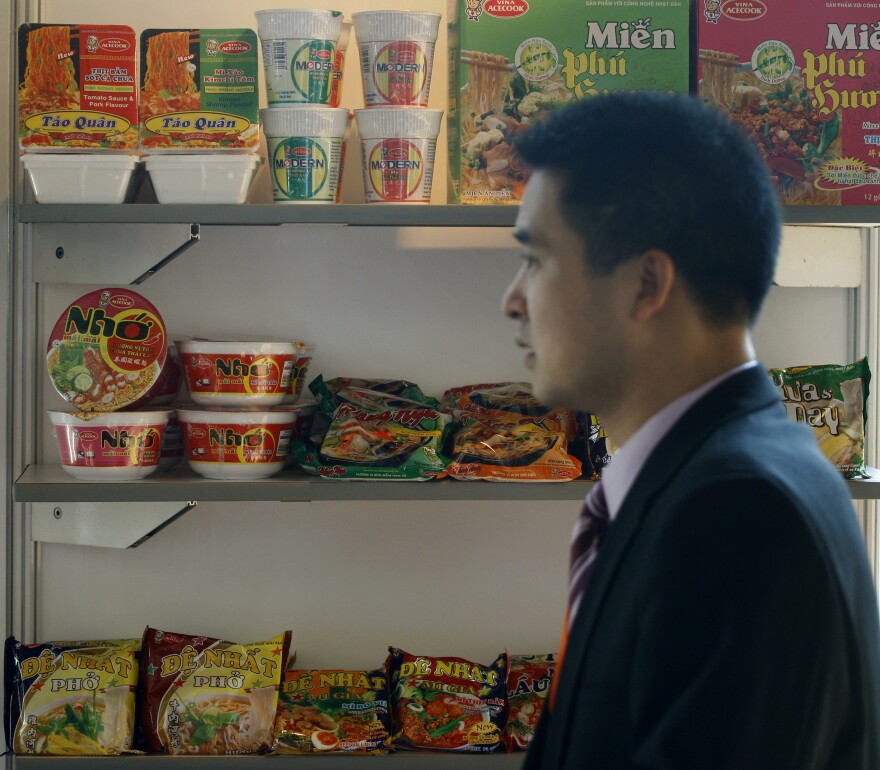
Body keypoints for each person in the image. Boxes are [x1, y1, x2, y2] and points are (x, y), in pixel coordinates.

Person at [502, 91, 880, 769]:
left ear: (647, 283)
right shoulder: (701, 479)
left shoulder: (739, 513)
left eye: (536, 259)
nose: (512, 299)